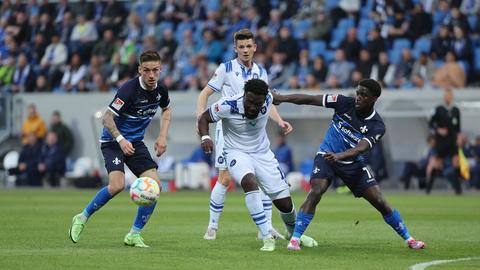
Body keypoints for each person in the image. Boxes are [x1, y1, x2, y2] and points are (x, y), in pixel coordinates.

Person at [272, 79, 425, 250]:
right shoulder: (344, 102)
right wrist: (282, 98)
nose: (358, 97)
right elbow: (311, 99)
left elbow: (361, 148)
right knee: (316, 190)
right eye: (358, 92)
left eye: (363, 95)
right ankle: (295, 240)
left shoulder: (377, 126)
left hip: (351, 162)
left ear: (374, 99)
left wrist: (339, 156)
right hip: (326, 155)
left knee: (380, 201)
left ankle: (409, 239)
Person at [197, 79, 317, 251]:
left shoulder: (269, 98)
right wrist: (205, 137)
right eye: (250, 102)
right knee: (249, 182)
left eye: (258, 103)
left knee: (285, 204)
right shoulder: (227, 105)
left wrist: (282, 116)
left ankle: (294, 233)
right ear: (244, 95)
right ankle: (267, 237)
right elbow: (204, 118)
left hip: (263, 154)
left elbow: (287, 98)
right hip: (236, 152)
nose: (253, 107)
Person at [69, 50, 172, 248]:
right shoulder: (128, 90)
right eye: (147, 70)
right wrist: (121, 139)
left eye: (156, 70)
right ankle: (81, 218)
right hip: (113, 142)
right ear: (139, 70)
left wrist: (162, 136)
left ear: (161, 69)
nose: (151, 75)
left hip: (135, 143)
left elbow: (167, 109)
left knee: (155, 186)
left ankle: (134, 234)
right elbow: (107, 118)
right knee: (117, 185)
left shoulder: (161, 90)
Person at [196, 29, 292, 240]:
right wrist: (200, 122)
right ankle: (212, 226)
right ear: (235, 49)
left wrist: (279, 120)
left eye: (249, 46)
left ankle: (265, 228)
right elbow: (205, 93)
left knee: (262, 177)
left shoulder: (261, 71)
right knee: (224, 178)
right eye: (241, 47)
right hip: (228, 129)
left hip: (254, 131)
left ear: (255, 47)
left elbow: (267, 101)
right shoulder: (226, 69)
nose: (246, 50)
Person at [426, 88, 462, 194]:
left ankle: (458, 189)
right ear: (444, 97)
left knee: (456, 162)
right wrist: (438, 130)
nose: (448, 97)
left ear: (452, 97)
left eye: (450, 95)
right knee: (436, 164)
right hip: (441, 142)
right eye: (446, 95)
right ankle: (428, 189)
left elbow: (458, 128)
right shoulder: (438, 109)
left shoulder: (456, 110)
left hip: (452, 141)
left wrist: (459, 138)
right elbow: (430, 124)